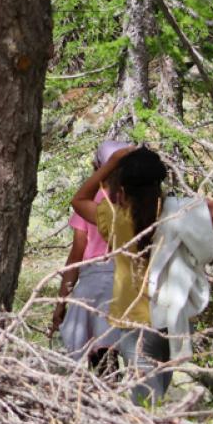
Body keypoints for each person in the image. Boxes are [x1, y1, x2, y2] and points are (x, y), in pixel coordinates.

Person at [71, 145, 213, 402]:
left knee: (146, 398)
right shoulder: (177, 213)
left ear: (122, 189)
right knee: (156, 391)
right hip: (172, 317)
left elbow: (79, 201)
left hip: (134, 319)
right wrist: (191, 206)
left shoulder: (116, 218)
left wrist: (111, 163)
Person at [51, 140, 130, 366]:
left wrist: (61, 304)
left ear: (98, 168)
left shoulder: (91, 203)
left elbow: (76, 255)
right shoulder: (133, 202)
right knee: (111, 350)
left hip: (92, 284)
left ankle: (96, 396)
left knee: (95, 354)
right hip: (124, 283)